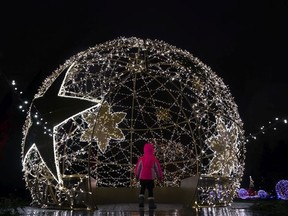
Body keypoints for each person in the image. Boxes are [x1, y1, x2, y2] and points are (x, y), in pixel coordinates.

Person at [134, 142, 163, 209]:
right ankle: (151, 204)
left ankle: (141, 202)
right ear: (152, 150)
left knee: (142, 189)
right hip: (150, 177)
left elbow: (138, 168)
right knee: (150, 190)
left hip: (142, 177)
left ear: (144, 150)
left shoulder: (141, 159)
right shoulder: (154, 159)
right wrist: (159, 177)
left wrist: (137, 176)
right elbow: (157, 168)